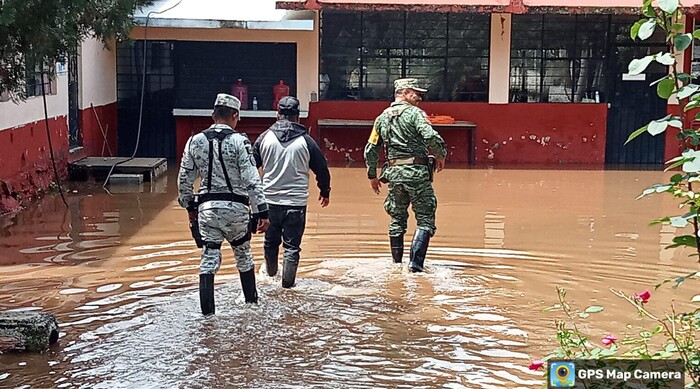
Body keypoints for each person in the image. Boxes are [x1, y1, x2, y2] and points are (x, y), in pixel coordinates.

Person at [178, 93, 270, 316]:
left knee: (208, 259)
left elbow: (184, 179)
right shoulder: (240, 142)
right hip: (237, 210)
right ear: (235, 116)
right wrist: (262, 211)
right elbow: (251, 179)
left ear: (213, 114)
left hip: (207, 211)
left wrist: (190, 208)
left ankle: (207, 316)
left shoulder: (195, 141)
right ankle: (251, 307)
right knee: (244, 256)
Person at [363, 78, 447, 272]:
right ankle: (415, 267)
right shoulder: (416, 114)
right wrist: (440, 155)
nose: (419, 97)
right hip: (416, 174)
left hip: (394, 175)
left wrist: (372, 175)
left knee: (397, 218)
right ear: (405, 92)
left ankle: (396, 265)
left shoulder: (381, 118)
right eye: (416, 93)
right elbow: (431, 136)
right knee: (425, 219)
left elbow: (371, 149)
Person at [253, 96, 331, 288]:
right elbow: (322, 168)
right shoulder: (307, 141)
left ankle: (271, 278)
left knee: (270, 243)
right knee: (292, 247)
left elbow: (249, 169)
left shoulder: (264, 138)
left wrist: (251, 198)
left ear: (277, 114)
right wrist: (325, 191)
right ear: (298, 117)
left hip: (269, 202)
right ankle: (288, 287)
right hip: (296, 204)